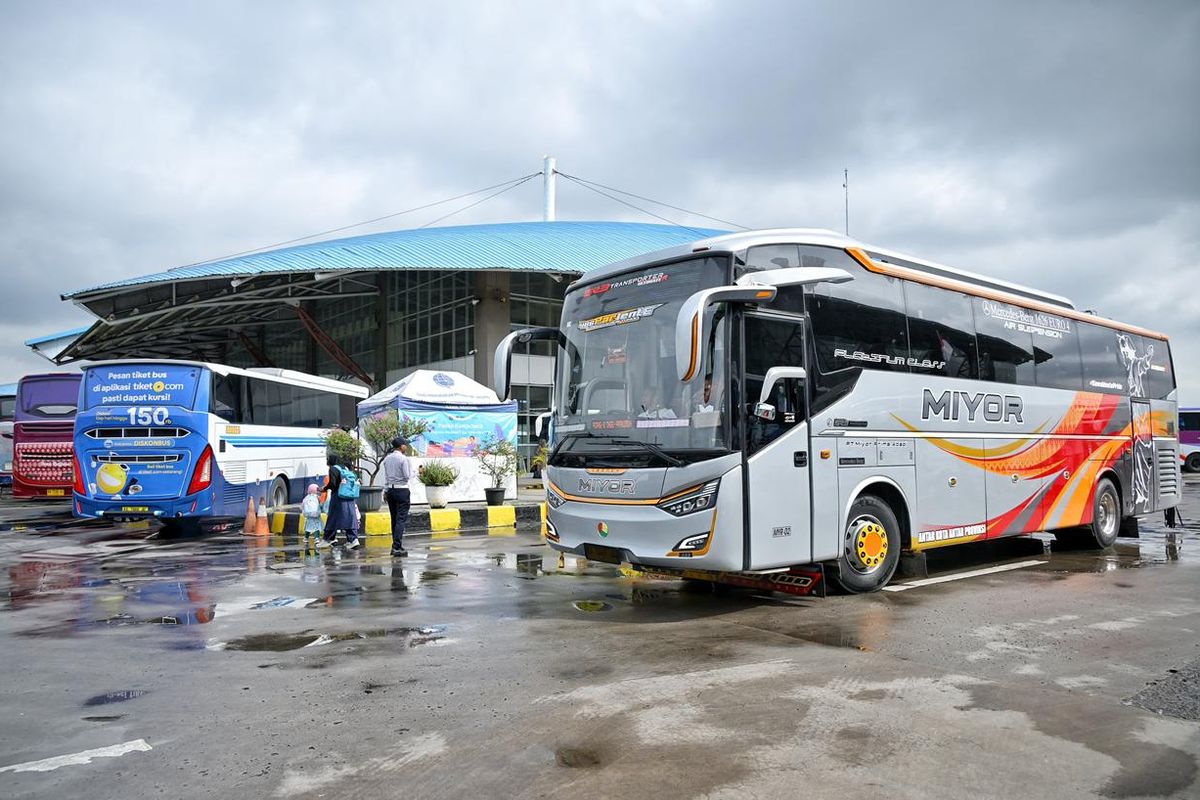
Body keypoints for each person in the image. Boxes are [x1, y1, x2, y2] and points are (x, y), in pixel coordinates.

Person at [318, 455, 359, 550]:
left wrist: (324, 488)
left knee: (333, 517)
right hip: (349, 496)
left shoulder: (333, 469)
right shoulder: (345, 467)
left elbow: (332, 484)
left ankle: (329, 539)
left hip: (338, 496)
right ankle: (353, 540)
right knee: (349, 517)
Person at [382, 436, 412, 557]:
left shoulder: (387, 459)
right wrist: (416, 472)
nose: (406, 446)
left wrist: (385, 490)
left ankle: (396, 545)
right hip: (402, 490)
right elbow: (407, 476)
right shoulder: (403, 459)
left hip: (390, 490)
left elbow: (386, 476)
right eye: (405, 444)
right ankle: (396, 546)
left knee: (394, 518)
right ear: (401, 446)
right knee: (401, 519)